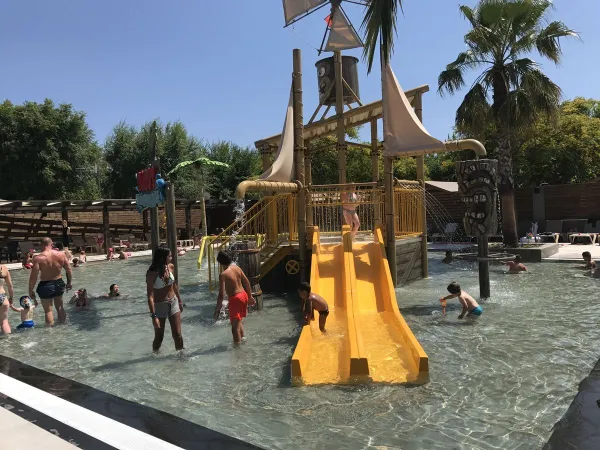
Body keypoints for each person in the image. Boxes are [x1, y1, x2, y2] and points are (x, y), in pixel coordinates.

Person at [146, 246, 184, 352]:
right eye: (169, 256)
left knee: (177, 334)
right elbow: (150, 295)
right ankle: (155, 355)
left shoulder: (170, 267)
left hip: (173, 302)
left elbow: (174, 285)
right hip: (159, 306)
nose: (171, 257)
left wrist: (180, 301)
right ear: (163, 257)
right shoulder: (151, 273)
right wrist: (153, 316)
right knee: (159, 338)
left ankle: (181, 358)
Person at [214, 250, 256, 344]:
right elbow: (246, 282)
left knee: (234, 328)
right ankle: (243, 339)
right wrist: (249, 296)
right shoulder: (237, 268)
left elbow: (221, 295)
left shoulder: (223, 275)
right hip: (243, 295)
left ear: (219, 262)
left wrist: (217, 309)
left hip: (236, 298)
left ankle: (238, 350)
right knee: (238, 321)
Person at [28, 237, 72, 326]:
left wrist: (30, 290)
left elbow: (33, 277)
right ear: (51, 244)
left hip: (45, 285)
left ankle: (50, 332)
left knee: (48, 311)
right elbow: (68, 270)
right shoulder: (61, 255)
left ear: (41, 245)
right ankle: (63, 326)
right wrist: (69, 283)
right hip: (59, 283)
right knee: (60, 307)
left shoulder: (38, 258)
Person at [0, 264, 15, 334]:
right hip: (2, 297)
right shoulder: (4, 268)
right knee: (4, 322)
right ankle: (8, 340)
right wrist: (11, 298)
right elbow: (10, 286)